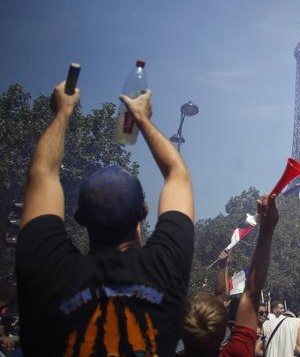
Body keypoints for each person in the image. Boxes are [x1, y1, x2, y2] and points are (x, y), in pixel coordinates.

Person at [16, 84, 194, 356]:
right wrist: (142, 118)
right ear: (142, 213)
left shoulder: (48, 270)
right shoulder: (164, 268)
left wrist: (63, 111)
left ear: (78, 217)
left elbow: (43, 172)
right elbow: (177, 173)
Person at [182, 194, 279, 356]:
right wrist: (267, 229)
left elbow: (234, 294)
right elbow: (251, 292)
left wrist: (222, 266)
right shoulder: (237, 352)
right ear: (222, 331)